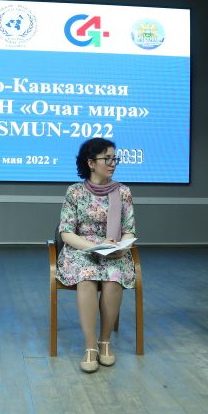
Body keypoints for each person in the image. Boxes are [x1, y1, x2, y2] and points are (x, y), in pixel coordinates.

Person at [57, 138, 136, 373]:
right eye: (107, 159)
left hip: (113, 249)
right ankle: (90, 347)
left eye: (114, 158)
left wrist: (122, 247)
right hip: (82, 250)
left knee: (114, 276)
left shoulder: (123, 192)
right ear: (91, 163)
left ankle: (105, 342)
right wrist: (93, 246)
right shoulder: (75, 191)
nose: (113, 163)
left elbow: (129, 229)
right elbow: (66, 232)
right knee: (87, 276)